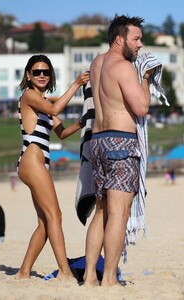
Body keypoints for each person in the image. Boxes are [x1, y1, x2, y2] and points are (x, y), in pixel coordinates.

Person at [83, 15, 154, 287]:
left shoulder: (97, 63)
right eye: (136, 39)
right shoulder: (122, 66)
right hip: (120, 144)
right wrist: (145, 78)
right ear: (119, 39)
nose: (140, 44)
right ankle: (109, 278)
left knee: (101, 211)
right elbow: (141, 107)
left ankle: (90, 275)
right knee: (118, 213)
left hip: (98, 141)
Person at [16, 54, 89, 280]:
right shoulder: (29, 96)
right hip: (32, 159)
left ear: (50, 75)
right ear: (28, 75)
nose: (41, 75)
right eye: (36, 72)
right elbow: (56, 110)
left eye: (45, 72)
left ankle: (23, 273)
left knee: (45, 224)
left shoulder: (46, 103)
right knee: (55, 216)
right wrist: (76, 84)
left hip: (38, 162)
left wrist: (83, 121)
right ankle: (64, 272)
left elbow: (62, 132)